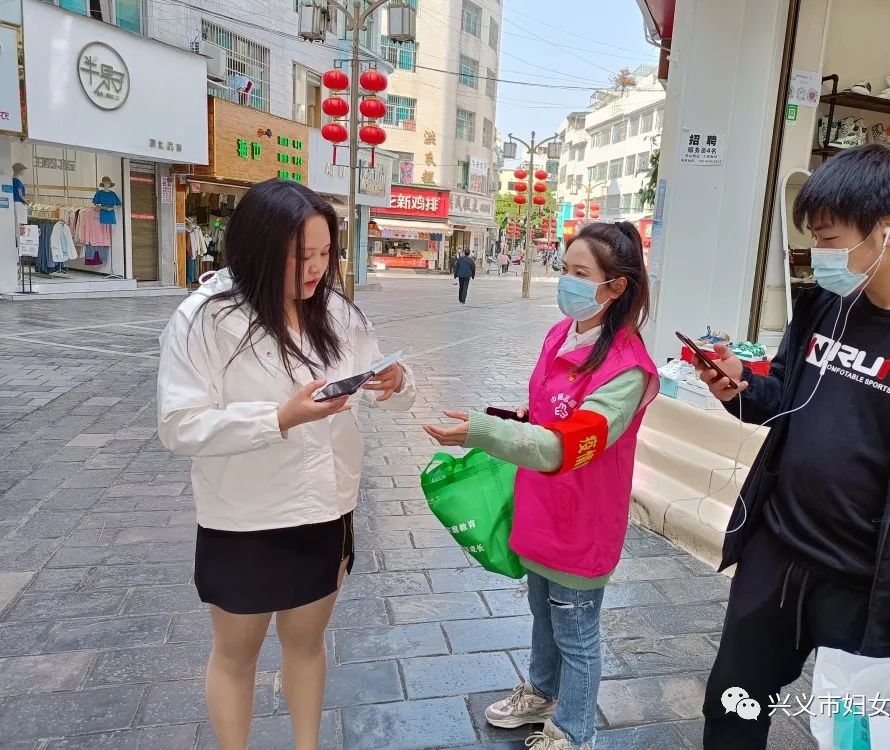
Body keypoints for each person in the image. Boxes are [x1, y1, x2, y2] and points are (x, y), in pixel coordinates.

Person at [697, 145, 890, 750]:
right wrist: (741, 387)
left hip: (874, 585)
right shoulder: (826, 305)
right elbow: (787, 395)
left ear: (888, 229)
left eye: (830, 238)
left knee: (862, 735)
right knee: (732, 705)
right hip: (779, 555)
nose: (819, 255)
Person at [157, 179, 415, 750]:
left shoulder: (338, 314)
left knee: (306, 644)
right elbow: (179, 425)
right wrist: (278, 418)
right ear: (259, 247)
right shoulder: (204, 319)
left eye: (324, 253)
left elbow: (380, 379)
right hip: (244, 517)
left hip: (325, 508)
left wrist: (396, 380)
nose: (316, 268)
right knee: (236, 654)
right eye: (301, 256)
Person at [425, 222, 659, 750]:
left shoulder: (626, 369)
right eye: (565, 269)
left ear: (616, 286)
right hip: (540, 505)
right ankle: (542, 691)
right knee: (543, 616)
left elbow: (565, 445)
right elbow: (546, 413)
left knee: (576, 631)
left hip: (583, 519)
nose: (567, 282)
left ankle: (574, 730)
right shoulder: (560, 335)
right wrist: (518, 420)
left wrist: (484, 433)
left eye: (581, 274)